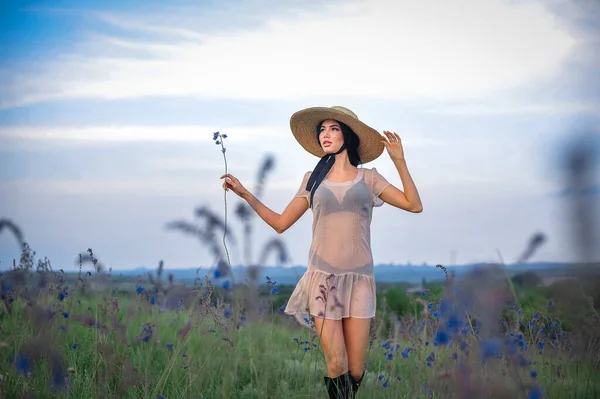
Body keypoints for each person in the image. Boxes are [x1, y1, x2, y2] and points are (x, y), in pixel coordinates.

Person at [221, 106, 423, 398]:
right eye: (322, 130)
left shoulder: (369, 179)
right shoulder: (312, 179)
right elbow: (280, 223)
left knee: (354, 370)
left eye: (333, 129)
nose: (325, 135)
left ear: (348, 135)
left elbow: (413, 205)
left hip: (360, 280)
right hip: (323, 280)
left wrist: (400, 162)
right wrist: (245, 194)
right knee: (335, 362)